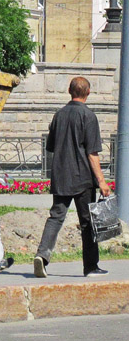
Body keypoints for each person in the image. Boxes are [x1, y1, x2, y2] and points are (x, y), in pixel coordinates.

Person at [34, 76, 112, 278]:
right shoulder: (89, 116)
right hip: (83, 178)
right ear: (88, 92)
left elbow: (50, 146)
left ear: (70, 90)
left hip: (60, 175)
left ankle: (42, 256)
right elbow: (92, 153)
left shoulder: (58, 115)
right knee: (87, 222)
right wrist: (102, 181)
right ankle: (90, 267)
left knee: (55, 217)